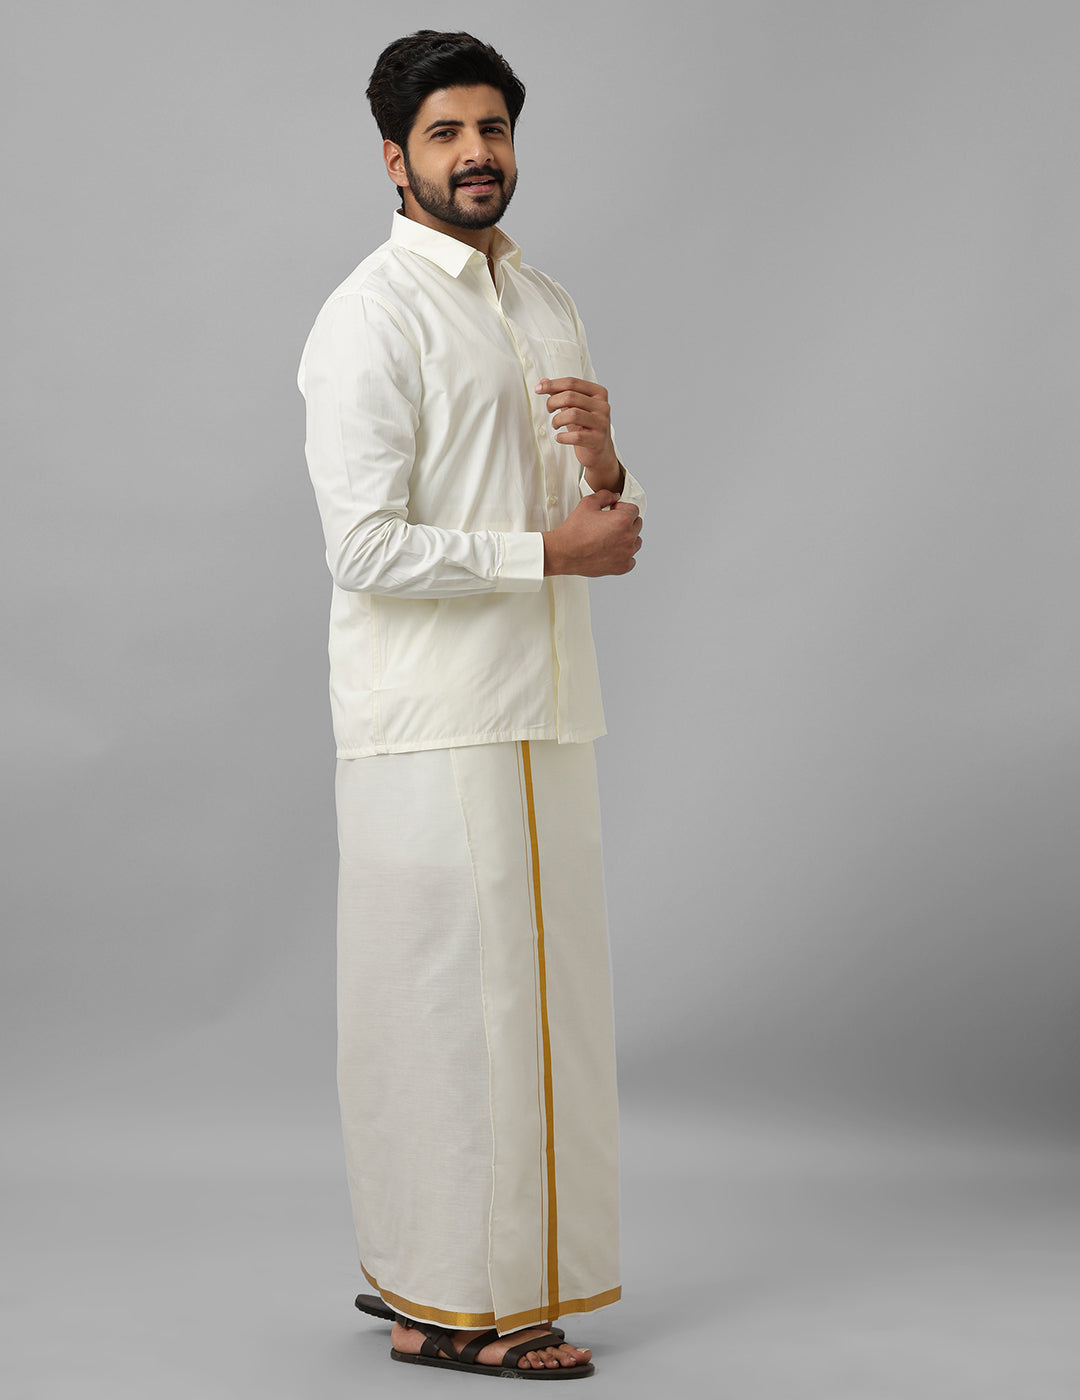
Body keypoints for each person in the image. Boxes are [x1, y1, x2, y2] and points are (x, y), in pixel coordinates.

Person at [297, 30, 645, 1380]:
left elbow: (590, 519)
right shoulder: (371, 314)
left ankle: (473, 1287)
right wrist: (551, 553)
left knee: (542, 1019)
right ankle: (458, 1306)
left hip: (546, 704)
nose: (475, 154)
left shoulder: (542, 299)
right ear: (394, 159)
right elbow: (363, 547)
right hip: (430, 717)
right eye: (445, 134)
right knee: (450, 1015)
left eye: (491, 128)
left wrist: (607, 467)